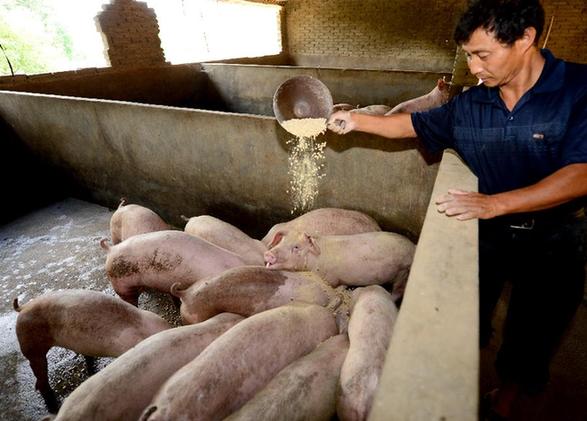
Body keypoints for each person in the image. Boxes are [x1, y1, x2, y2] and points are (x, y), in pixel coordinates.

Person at [327, 0, 587, 419]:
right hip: (489, 230)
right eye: (468, 54)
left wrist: (497, 202)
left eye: (482, 54)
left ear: (525, 39)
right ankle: (459, 381)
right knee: (465, 315)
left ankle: (508, 394)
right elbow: (414, 125)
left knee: (534, 330)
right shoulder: (471, 102)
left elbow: (581, 173)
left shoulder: (578, 89)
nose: (473, 66)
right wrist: (355, 120)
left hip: (556, 235)